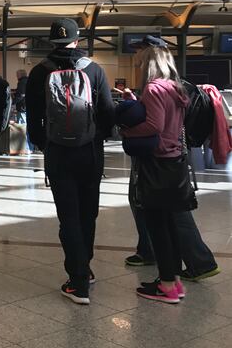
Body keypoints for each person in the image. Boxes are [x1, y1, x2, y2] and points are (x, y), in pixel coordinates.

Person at [25, 18, 115, 305]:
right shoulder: (94, 69)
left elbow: (33, 120)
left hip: (58, 153)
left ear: (52, 41)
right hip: (90, 152)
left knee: (68, 217)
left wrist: (46, 144)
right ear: (77, 39)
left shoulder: (39, 72)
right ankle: (85, 269)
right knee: (88, 213)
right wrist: (95, 137)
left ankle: (78, 280)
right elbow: (107, 113)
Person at [120, 37, 206, 304]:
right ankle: (174, 282)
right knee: (169, 225)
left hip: (156, 164)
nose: (138, 64)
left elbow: (153, 126)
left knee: (157, 226)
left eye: (140, 61)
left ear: (148, 63)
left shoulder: (154, 88)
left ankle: (167, 285)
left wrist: (126, 130)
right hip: (175, 163)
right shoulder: (174, 88)